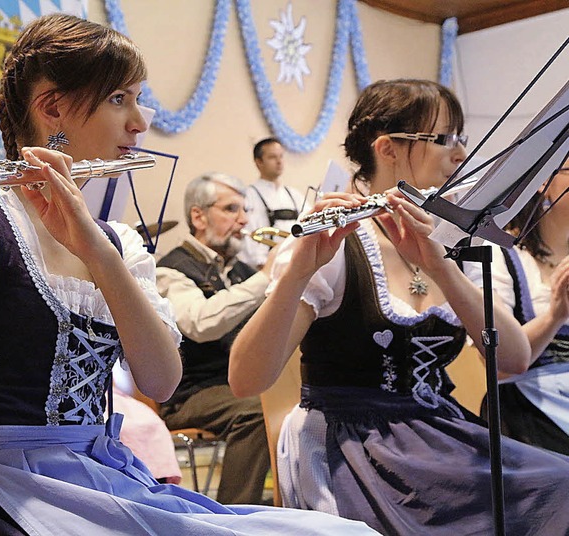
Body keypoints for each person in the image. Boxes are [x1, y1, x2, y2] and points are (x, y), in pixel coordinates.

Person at [0, 14, 379, 536]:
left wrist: (99, 253)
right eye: (120, 99)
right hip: (7, 489)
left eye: (138, 99)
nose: (140, 122)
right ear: (52, 107)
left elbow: (162, 382)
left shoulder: (119, 241)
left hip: (104, 476)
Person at [229, 79, 569, 535]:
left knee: (559, 485)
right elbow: (246, 379)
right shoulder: (335, 244)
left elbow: (513, 358)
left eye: (463, 138)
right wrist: (295, 274)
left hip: (436, 434)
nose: (461, 154)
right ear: (387, 149)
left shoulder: (448, 240)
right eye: (444, 139)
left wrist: (441, 264)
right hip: (349, 445)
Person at [155, 173, 271, 505]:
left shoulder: (240, 271)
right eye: (232, 208)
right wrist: (266, 277)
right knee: (257, 411)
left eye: (245, 209)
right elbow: (200, 323)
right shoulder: (170, 269)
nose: (244, 219)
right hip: (192, 393)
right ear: (198, 216)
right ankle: (235, 517)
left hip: (239, 385)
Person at [465, 160, 569, 455]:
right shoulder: (497, 253)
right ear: (543, 181)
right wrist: (554, 316)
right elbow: (497, 366)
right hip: (526, 417)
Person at [238, 137, 305, 270]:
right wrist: (262, 265)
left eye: (281, 156)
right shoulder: (248, 195)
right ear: (259, 162)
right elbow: (247, 235)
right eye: (272, 157)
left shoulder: (294, 195)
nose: (279, 162)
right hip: (264, 268)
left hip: (295, 265)